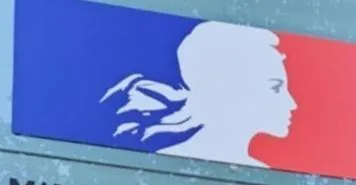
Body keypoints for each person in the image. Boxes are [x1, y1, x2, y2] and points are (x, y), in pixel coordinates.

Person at [100, 22, 296, 166]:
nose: (292, 103)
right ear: (230, 91)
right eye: (275, 88)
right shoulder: (168, 164)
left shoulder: (261, 174)